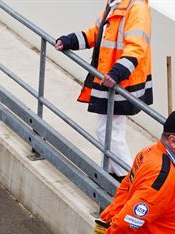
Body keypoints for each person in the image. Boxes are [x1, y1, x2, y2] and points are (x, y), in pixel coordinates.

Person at [55, 0, 152, 181]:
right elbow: (96, 33)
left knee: (108, 131)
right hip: (111, 79)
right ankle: (109, 174)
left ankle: (128, 181)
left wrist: (117, 72)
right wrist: (70, 41)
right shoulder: (115, 4)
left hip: (121, 81)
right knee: (111, 130)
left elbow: (137, 47)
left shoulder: (136, 7)